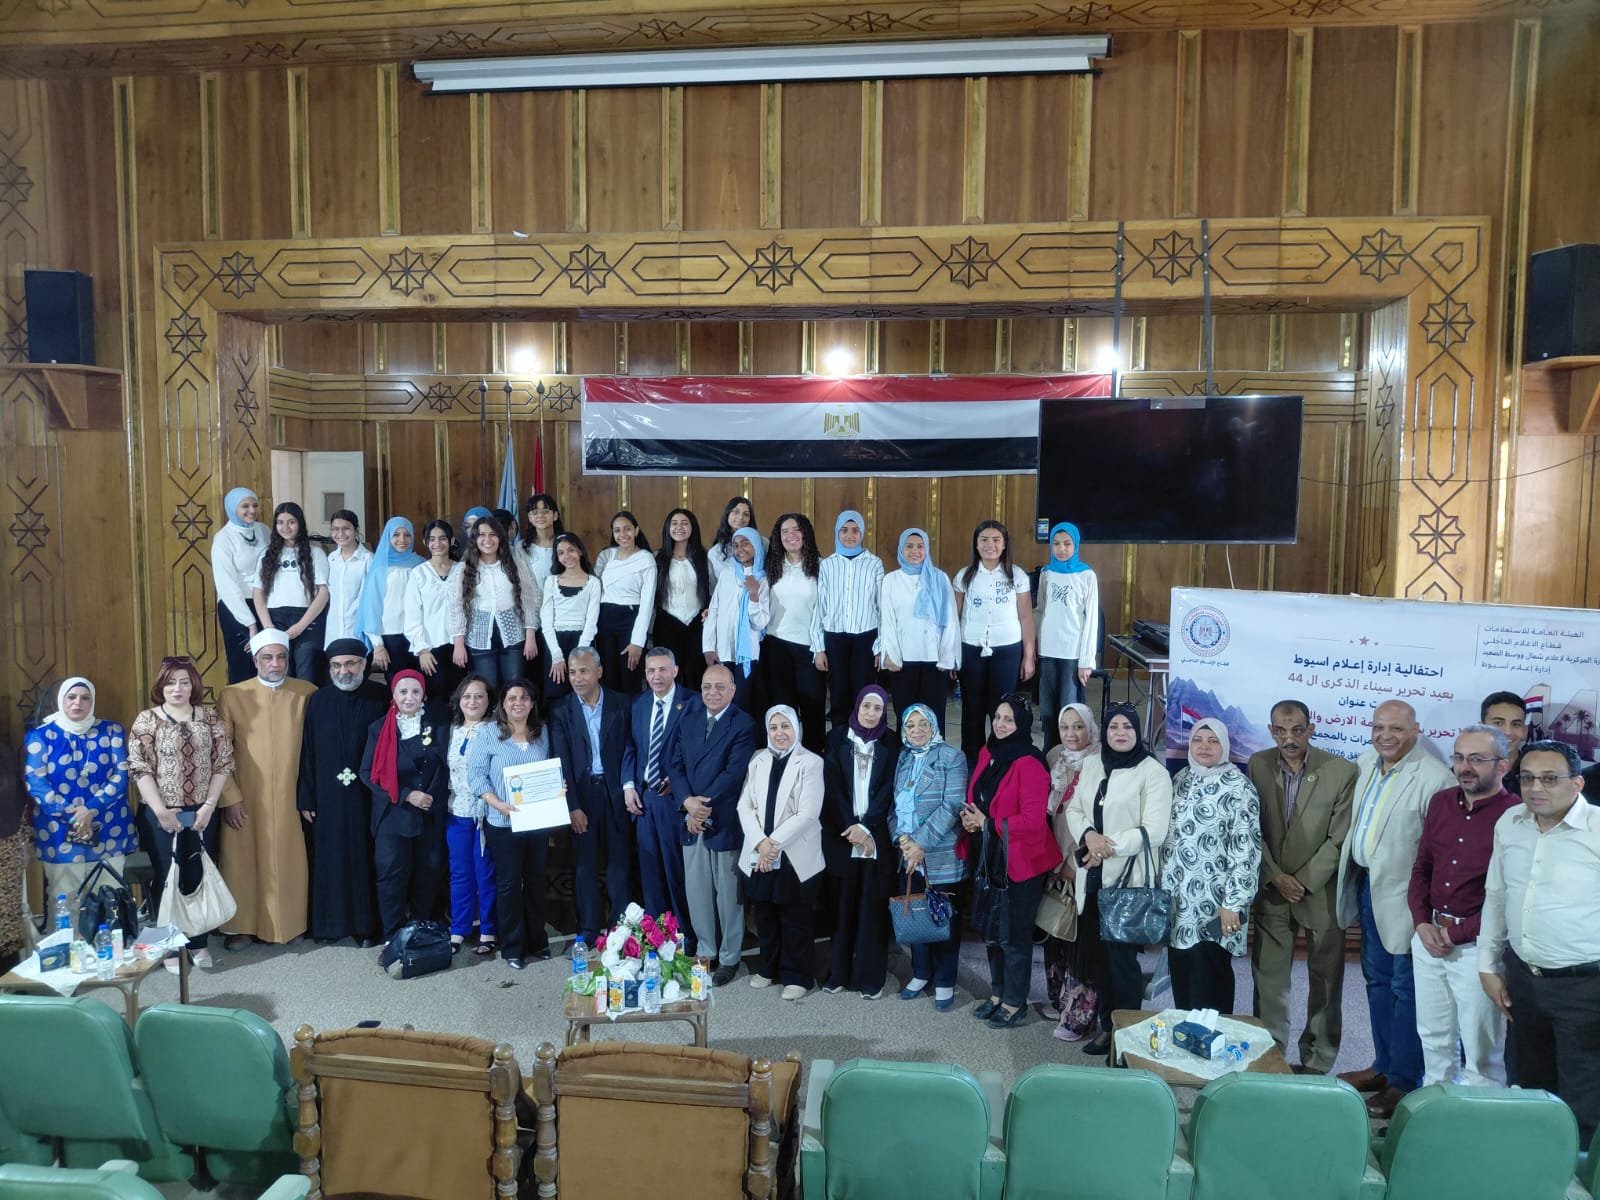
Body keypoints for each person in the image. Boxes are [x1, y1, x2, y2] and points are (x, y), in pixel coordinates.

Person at [1334, 698, 1455, 1118]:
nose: (1385, 736)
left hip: (1409, 899)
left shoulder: (1436, 778)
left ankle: (1404, 1080)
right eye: (1379, 727)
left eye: (1396, 728)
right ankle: (1382, 1066)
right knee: (1377, 982)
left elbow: (1438, 854)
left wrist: (1427, 909)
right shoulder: (1366, 761)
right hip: (1369, 887)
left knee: (1407, 989)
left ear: (1416, 731)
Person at [1479, 740, 1600, 1142]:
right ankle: (1530, 1167)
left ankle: (1576, 1174)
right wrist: (1487, 965)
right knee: (1528, 1086)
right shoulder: (1510, 822)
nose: (1536, 788)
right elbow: (1497, 895)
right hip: (1523, 981)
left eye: (1550, 779)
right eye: (1528, 778)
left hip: (1585, 988)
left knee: (1584, 1096)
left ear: (1577, 783)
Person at [1247, 699, 1357, 1074]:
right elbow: (1251, 828)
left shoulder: (1341, 770)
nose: (1289, 739)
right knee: (1268, 979)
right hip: (1273, 888)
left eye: (1297, 730)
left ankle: (1318, 1059)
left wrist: (1304, 882)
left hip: (1320, 892)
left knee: (1325, 980)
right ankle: (1270, 1053)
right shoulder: (1258, 764)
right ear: (1271, 731)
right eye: (1280, 731)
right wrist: (1275, 875)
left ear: (1311, 729)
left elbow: (1340, 837)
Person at [1407, 724, 1518, 1088]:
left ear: (1503, 765)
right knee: (1432, 1036)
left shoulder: (1516, 816)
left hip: (1479, 947)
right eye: (1458, 757)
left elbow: (1508, 897)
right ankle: (1435, 1108)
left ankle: (1483, 1118)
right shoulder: (1441, 802)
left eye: (1476, 759)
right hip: (1429, 938)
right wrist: (1422, 923)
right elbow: (1422, 867)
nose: (1465, 767)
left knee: (1482, 1049)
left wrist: (1455, 934)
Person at [1066, 703, 1173, 1056]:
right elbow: (1074, 808)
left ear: (1137, 731)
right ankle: (1107, 1026)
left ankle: (1127, 1036)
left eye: (1128, 726)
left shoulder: (1152, 772)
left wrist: (1105, 846)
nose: (1121, 733)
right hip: (1093, 876)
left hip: (1127, 880)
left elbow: (1154, 830)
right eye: (1114, 727)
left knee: (1122, 963)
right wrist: (1088, 836)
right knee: (1098, 960)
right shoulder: (1093, 764)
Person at [958, 694, 1058, 1029]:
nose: (1001, 725)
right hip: (990, 857)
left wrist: (987, 823)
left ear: (1022, 724)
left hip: (1021, 862)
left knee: (1014, 936)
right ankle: (998, 994)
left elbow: (1032, 821)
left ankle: (1016, 1002)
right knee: (991, 931)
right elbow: (976, 797)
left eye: (1009, 720)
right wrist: (970, 818)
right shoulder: (988, 752)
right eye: (998, 717)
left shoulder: (1030, 763)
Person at [127, 657, 235, 968]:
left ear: (193, 686)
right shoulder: (147, 719)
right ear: (161, 686)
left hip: (202, 812)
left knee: (196, 873)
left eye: (184, 682)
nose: (177, 688)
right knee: (165, 878)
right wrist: (161, 811)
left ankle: (198, 943)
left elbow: (223, 762)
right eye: (171, 682)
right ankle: (170, 946)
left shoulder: (209, 717)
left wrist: (209, 805)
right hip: (159, 814)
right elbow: (139, 767)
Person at [217, 629, 318, 947]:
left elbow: (316, 749)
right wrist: (230, 797)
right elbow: (220, 752)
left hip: (291, 795)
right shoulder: (233, 695)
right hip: (246, 796)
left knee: (290, 860)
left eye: (281, 657)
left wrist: (310, 794)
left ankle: (292, 924)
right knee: (242, 862)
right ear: (256, 660)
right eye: (268, 658)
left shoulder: (306, 692)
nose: (275, 664)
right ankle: (242, 926)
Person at [1163, 719, 1262, 1012]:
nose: (1204, 746)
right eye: (1198, 740)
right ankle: (1184, 1034)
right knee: (1182, 973)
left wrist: (1234, 903)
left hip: (1217, 905)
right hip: (1178, 902)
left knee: (1210, 978)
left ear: (1224, 746)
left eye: (1213, 741)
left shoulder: (1239, 787)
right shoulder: (1181, 779)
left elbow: (1246, 850)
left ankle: (1212, 1038)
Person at [668, 663, 757, 987]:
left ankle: (730, 958)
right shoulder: (689, 719)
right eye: (707, 686)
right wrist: (687, 802)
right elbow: (674, 765)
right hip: (691, 818)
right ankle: (706, 952)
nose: (712, 692)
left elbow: (733, 775)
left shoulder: (743, 724)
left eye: (720, 687)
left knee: (728, 896)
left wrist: (700, 808)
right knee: (697, 892)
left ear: (732, 689)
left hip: (722, 820)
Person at [296, 639, 387, 947]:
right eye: (336, 665)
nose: (343, 671)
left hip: (368, 794)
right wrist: (306, 796)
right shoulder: (318, 700)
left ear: (364, 664)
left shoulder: (381, 696)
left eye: (350, 664)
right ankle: (330, 926)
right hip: (327, 795)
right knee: (330, 857)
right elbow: (307, 751)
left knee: (365, 857)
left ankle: (366, 927)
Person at [738, 705, 825, 1001]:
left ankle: (797, 975)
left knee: (794, 918)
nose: (779, 733)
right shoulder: (758, 759)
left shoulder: (811, 762)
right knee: (764, 913)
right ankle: (768, 967)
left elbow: (808, 813)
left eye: (785, 726)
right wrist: (760, 844)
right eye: (774, 727)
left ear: (796, 729)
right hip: (760, 851)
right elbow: (744, 805)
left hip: (793, 854)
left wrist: (771, 845)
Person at [24, 677, 135, 901]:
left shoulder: (111, 731)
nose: (78, 703)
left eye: (85, 698)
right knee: (65, 899)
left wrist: (90, 809)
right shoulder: (41, 736)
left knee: (109, 897)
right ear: (61, 701)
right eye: (71, 697)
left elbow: (121, 775)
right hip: (59, 829)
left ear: (92, 702)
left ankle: (107, 927)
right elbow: (36, 782)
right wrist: (75, 815)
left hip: (108, 826)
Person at [821, 685, 900, 998]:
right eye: (866, 706)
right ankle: (837, 973)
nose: (870, 713)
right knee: (840, 910)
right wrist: (850, 825)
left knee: (872, 911)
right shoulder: (837, 738)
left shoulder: (891, 742)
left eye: (877, 708)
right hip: (843, 835)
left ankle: (870, 978)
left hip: (874, 837)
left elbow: (889, 789)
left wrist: (866, 828)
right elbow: (832, 787)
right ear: (857, 707)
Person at [469, 678, 554, 969]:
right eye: (512, 698)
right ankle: (512, 947)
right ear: (503, 704)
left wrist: (556, 789)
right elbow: (476, 776)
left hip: (536, 822)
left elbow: (547, 772)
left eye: (524, 698)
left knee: (536, 881)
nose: (518, 702)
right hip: (502, 822)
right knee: (508, 884)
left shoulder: (542, 733)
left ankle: (538, 941)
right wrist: (496, 803)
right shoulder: (489, 733)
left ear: (532, 703)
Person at [548, 646, 631, 941]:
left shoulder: (622, 704)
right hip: (582, 797)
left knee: (619, 863)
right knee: (584, 865)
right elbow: (561, 761)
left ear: (599, 671)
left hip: (616, 794)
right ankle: (588, 928)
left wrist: (628, 788)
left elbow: (631, 750)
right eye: (572, 672)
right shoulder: (561, 710)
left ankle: (621, 928)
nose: (577, 678)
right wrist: (573, 806)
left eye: (583, 671)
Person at [891, 703, 969, 1011]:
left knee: (943, 919)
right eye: (910, 725)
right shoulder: (903, 757)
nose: (917, 730)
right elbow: (893, 807)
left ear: (934, 725)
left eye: (923, 723)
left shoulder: (952, 757)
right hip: (907, 854)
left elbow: (952, 805)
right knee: (915, 915)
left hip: (940, 854)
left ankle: (945, 979)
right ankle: (921, 973)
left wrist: (920, 843)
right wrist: (902, 840)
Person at [360, 669, 447, 945]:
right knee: (391, 876)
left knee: (428, 874)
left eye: (415, 691)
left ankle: (420, 929)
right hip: (393, 815)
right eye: (403, 692)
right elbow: (368, 773)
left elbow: (447, 766)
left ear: (424, 695)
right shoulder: (378, 729)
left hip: (429, 814)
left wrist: (430, 797)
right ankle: (393, 935)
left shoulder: (438, 725)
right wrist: (407, 795)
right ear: (394, 695)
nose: (409, 697)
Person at [622, 648, 694, 928]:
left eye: (663, 669)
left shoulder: (692, 703)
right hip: (644, 801)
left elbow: (696, 751)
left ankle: (684, 935)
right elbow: (630, 747)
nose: (657, 676)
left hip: (674, 801)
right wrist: (628, 785)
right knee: (650, 874)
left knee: (676, 873)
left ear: (675, 671)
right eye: (651, 670)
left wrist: (679, 782)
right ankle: (656, 935)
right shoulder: (638, 704)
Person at [954, 520, 1035, 762]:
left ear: (1004, 544)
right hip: (970, 648)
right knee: (972, 709)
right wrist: (950, 655)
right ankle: (972, 762)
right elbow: (954, 618)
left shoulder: (1017, 575)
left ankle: (1001, 759)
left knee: (1002, 709)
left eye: (996, 540)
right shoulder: (964, 576)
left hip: (1007, 650)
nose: (990, 545)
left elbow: (1026, 617)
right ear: (976, 544)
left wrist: (1029, 656)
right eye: (984, 540)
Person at [1043, 703, 1097, 1014]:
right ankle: (1056, 999)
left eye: (1078, 726)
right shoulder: (1054, 756)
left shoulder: (1100, 761)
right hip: (1052, 852)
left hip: (1081, 860)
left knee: (1080, 936)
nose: (1071, 734)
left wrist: (1073, 861)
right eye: (1065, 727)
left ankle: (1078, 1010)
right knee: (1054, 927)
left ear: (1090, 727)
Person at [878, 527, 957, 733]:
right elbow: (887, 620)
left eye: (920, 546)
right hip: (903, 660)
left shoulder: (940, 578)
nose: (915, 551)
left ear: (927, 549)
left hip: (934, 659)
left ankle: (935, 754)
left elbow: (950, 620)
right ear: (901, 549)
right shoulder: (891, 580)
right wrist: (891, 655)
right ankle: (905, 753)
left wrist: (946, 656)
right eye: (909, 546)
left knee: (933, 716)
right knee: (905, 715)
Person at [450, 515, 539, 692]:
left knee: (514, 685)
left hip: (513, 636)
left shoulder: (515, 564)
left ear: (500, 538)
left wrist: (530, 636)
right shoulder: (463, 569)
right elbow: (456, 608)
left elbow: (529, 601)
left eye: (493, 534)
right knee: (486, 687)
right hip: (479, 636)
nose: (487, 540)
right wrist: (458, 644)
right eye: (482, 535)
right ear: (475, 539)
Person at [443, 674, 497, 956]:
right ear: (459, 700)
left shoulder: (496, 730)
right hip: (456, 812)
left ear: (488, 701)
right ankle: (459, 928)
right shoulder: (450, 730)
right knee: (460, 873)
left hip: (487, 814)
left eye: (479, 696)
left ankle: (488, 929)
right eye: (467, 696)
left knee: (486, 873)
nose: (472, 701)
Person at [762, 513, 826, 753]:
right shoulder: (770, 566)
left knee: (813, 708)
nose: (791, 535)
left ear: (806, 533)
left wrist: (820, 648)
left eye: (796, 529)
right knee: (783, 709)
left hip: (809, 646)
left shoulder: (821, 566)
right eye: (785, 531)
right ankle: (784, 758)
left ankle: (814, 759)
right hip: (776, 644)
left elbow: (825, 610)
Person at [1035, 522, 1099, 749]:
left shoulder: (1086, 575)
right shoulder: (1046, 573)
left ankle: (1072, 754)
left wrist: (1086, 661)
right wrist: (1035, 648)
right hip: (1048, 652)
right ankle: (1050, 753)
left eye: (1067, 544)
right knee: (1047, 711)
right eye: (1056, 544)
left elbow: (1091, 619)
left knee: (1069, 711)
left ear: (1076, 545)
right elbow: (1040, 610)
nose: (1061, 549)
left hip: (1072, 654)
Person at [818, 510, 884, 730]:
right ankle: (839, 739)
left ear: (862, 533)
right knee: (838, 692)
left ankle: (863, 737)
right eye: (844, 530)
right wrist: (818, 647)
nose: (850, 535)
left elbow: (881, 607)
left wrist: (880, 645)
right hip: (835, 636)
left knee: (863, 692)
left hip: (866, 636)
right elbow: (820, 606)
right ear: (837, 532)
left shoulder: (874, 563)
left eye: (855, 530)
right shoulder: (827, 564)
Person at [250, 500, 330, 682]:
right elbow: (258, 592)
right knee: (281, 674)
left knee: (306, 675)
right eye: (280, 522)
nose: (285, 527)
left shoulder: (316, 553)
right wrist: (268, 627)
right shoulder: (266, 554)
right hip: (274, 620)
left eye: (291, 522)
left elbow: (323, 593)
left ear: (300, 523)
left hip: (307, 620)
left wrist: (299, 627)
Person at [704, 527, 768, 713]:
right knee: (722, 701)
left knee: (742, 702)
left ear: (756, 546)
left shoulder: (763, 580)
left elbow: (760, 622)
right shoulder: (727, 574)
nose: (740, 549)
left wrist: (754, 596)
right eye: (736, 545)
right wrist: (708, 646)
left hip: (748, 656)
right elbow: (714, 610)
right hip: (723, 651)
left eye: (746, 544)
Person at [211, 486, 271, 683]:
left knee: (268, 664)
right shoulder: (223, 538)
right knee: (243, 665)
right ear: (232, 508)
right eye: (245, 506)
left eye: (255, 505)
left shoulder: (263, 530)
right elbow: (227, 585)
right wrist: (250, 624)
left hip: (263, 604)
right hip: (236, 608)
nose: (252, 510)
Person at [593, 510, 656, 696]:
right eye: (617, 530)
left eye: (627, 529)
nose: (623, 534)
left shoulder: (646, 559)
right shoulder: (607, 555)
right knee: (608, 678)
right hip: (604, 620)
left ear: (636, 530)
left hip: (630, 621)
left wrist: (637, 642)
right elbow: (594, 588)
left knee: (630, 678)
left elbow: (647, 604)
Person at [407, 519, 464, 718]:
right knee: (436, 700)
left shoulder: (463, 570)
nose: (437, 543)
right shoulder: (418, 573)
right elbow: (412, 616)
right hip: (431, 648)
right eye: (432, 539)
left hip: (461, 646)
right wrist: (422, 650)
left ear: (452, 540)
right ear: (425, 542)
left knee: (462, 698)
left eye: (442, 538)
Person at [653, 508, 713, 692]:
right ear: (667, 528)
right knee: (669, 675)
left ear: (692, 527)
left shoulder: (703, 558)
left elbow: (713, 591)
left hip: (697, 624)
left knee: (696, 674)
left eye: (685, 523)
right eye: (675, 523)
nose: (679, 527)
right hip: (667, 623)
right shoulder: (658, 558)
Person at [539, 532, 601, 701]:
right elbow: (546, 622)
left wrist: (579, 654)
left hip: (583, 640)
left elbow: (591, 622)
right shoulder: (551, 581)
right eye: (561, 553)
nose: (566, 556)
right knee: (556, 691)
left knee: (583, 691)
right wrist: (556, 655)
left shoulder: (593, 582)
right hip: (555, 642)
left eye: (571, 550)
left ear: (580, 551)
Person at [362, 516, 424, 682]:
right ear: (387, 537)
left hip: (418, 635)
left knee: (421, 683)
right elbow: (371, 607)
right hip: (391, 635)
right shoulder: (380, 568)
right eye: (396, 535)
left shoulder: (421, 564)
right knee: (397, 684)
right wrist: (378, 645)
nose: (402, 540)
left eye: (407, 535)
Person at [322, 510, 372, 656]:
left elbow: (372, 599)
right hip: (334, 631)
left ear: (356, 530)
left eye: (346, 528)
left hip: (358, 631)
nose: (340, 534)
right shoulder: (331, 559)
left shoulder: (368, 559)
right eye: (335, 529)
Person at [0, 739, 27, 973]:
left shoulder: (3, 752)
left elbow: (17, 794)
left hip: (6, 841)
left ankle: (11, 979)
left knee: (7, 917)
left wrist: (24, 837)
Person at [1481, 690, 1530, 795]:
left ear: (1525, 731)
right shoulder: (1465, 770)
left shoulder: (1538, 774)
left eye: (1516, 724)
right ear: (1481, 729)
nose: (1508, 732)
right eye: (1498, 723)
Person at [520, 493, 565, 597]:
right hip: (531, 604)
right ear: (530, 518)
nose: (540, 516)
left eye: (545, 511)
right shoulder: (521, 548)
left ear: (555, 515)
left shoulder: (567, 545)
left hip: (562, 603)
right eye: (535, 512)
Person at [707, 495, 756, 580]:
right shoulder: (715, 552)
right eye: (736, 512)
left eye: (746, 514)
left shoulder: (763, 544)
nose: (740, 517)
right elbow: (713, 584)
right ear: (727, 514)